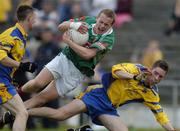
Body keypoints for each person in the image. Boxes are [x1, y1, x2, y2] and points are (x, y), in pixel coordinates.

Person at [26, 60, 175, 131]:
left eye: (160, 77)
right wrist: (134, 77)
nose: (156, 78)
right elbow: (116, 70)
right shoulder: (136, 69)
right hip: (98, 94)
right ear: (150, 69)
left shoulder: (152, 93)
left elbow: (161, 116)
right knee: (60, 115)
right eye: (155, 73)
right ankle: (22, 112)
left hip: (109, 107)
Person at [21, 9, 115, 110]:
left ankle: (14, 112)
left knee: (42, 98)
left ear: (111, 25)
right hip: (65, 58)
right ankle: (17, 92)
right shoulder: (88, 20)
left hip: (77, 72)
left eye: (106, 24)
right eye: (101, 22)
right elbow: (61, 26)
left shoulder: (108, 38)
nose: (102, 26)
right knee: (37, 83)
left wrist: (68, 42)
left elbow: (88, 54)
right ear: (97, 18)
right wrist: (74, 25)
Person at [0, 5, 37, 131]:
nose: (36, 22)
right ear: (29, 18)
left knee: (17, 114)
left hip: (5, 80)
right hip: (1, 82)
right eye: (35, 19)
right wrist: (22, 66)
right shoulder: (12, 35)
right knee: (22, 113)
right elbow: (1, 57)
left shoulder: (22, 36)